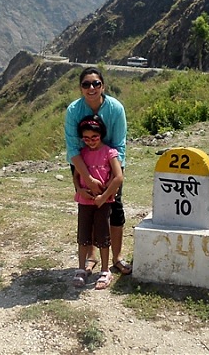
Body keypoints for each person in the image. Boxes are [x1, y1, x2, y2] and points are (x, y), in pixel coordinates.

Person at [65, 66, 132, 275]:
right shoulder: (74, 111)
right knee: (89, 209)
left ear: (103, 86)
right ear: (80, 88)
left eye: (96, 83)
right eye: (86, 84)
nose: (91, 88)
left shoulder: (116, 109)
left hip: (110, 163)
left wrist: (112, 178)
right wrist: (88, 179)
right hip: (83, 164)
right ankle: (91, 257)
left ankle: (117, 258)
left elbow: (120, 144)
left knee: (115, 210)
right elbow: (73, 148)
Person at [71, 115, 123, 289]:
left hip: (103, 202)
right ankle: (80, 269)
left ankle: (105, 269)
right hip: (85, 201)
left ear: (101, 134)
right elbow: (76, 175)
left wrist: (105, 196)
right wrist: (79, 190)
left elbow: (118, 177)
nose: (91, 141)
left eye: (94, 137)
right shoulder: (82, 154)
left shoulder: (110, 152)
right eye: (86, 138)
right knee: (83, 234)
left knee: (103, 235)